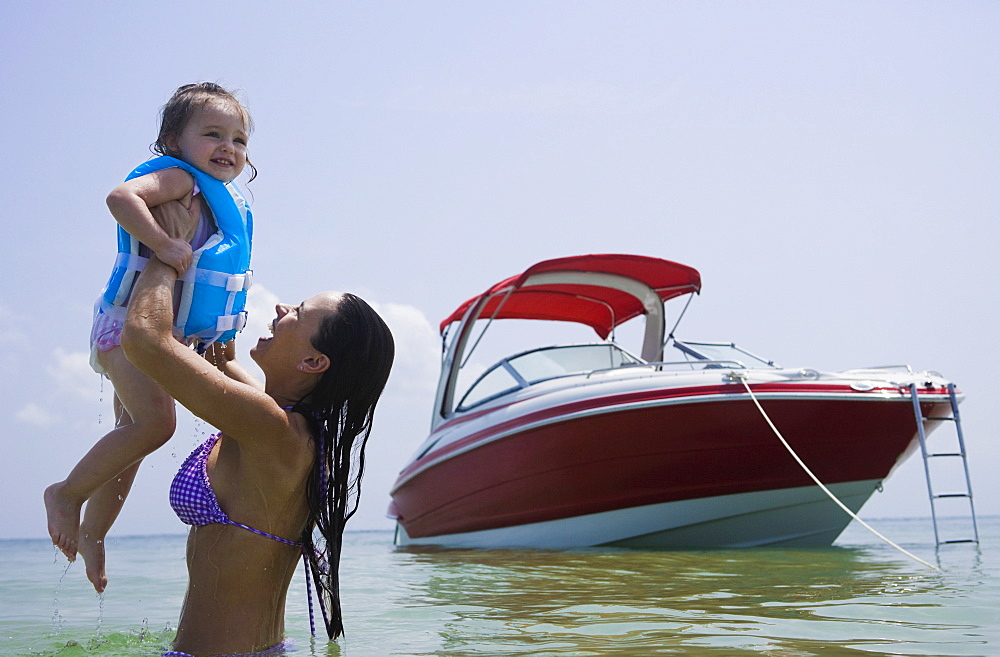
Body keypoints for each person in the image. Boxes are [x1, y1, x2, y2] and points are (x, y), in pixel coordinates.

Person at [126, 200, 394, 654]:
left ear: (313, 362)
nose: (281, 307)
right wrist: (214, 249)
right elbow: (221, 357)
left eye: (300, 311)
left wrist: (164, 251)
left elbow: (145, 339)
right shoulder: (291, 428)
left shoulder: (272, 429)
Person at [45, 82, 256, 590]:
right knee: (157, 425)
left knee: (133, 437)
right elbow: (121, 197)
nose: (229, 147)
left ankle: (96, 532)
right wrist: (163, 243)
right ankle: (66, 493)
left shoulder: (221, 203)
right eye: (212, 134)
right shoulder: (178, 179)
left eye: (239, 139)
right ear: (172, 141)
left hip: (163, 337)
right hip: (124, 327)